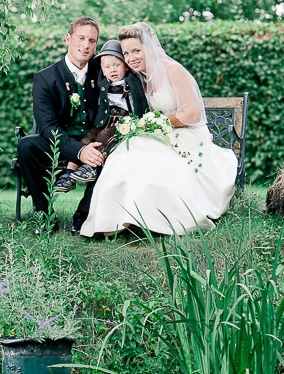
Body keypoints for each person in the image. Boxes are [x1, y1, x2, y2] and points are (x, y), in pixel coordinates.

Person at [80, 22, 237, 237]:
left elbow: (193, 114)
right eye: (126, 53)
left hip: (189, 135)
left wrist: (155, 122)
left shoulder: (172, 70)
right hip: (159, 133)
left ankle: (158, 219)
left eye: (136, 50)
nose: (131, 57)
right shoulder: (140, 78)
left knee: (156, 159)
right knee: (127, 151)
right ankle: (119, 219)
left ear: (151, 48)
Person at [17, 17, 103, 235]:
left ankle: (83, 215)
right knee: (27, 146)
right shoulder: (45, 78)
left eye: (91, 41)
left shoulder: (102, 71)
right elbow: (46, 127)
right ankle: (44, 215)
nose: (86, 45)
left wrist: (92, 147)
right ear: (68, 39)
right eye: (81, 38)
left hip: (96, 141)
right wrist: (79, 152)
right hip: (60, 141)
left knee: (115, 153)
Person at [53, 40, 148, 192]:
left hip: (122, 123)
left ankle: (91, 167)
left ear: (126, 67)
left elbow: (140, 103)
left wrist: (136, 120)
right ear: (102, 71)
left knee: (104, 136)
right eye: (108, 67)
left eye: (117, 65)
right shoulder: (103, 83)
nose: (113, 70)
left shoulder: (131, 83)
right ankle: (69, 174)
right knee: (87, 138)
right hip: (104, 120)